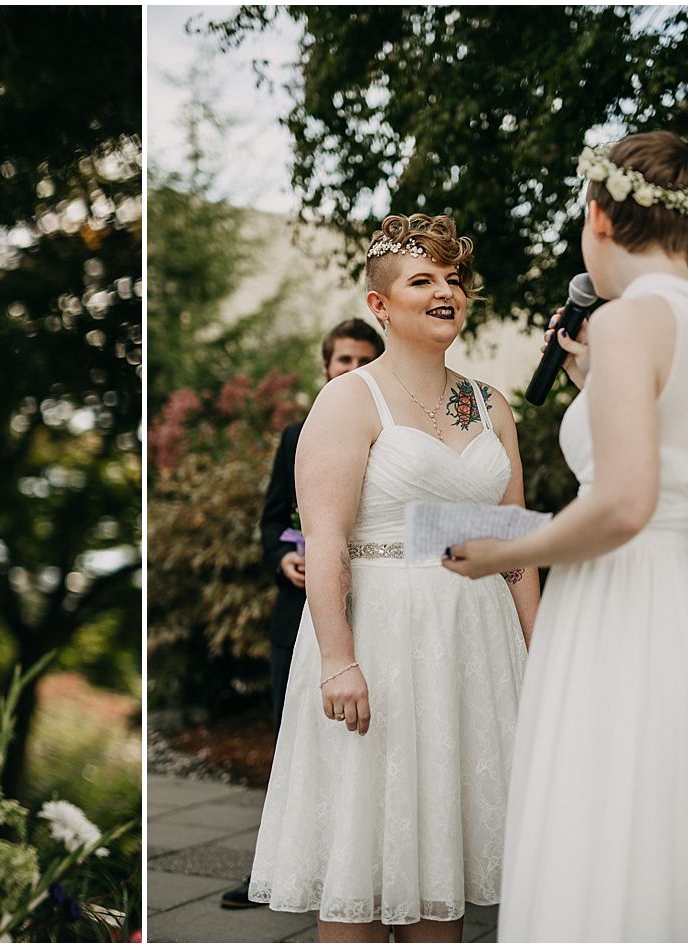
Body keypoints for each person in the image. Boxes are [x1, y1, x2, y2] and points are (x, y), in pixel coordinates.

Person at [443, 131, 688, 942]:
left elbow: (625, 505)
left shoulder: (632, 322)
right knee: (670, 807)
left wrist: (503, 552)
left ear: (597, 214)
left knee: (607, 807)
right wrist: (593, 384)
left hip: (623, 602)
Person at [248, 213, 540, 942]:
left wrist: (540, 665)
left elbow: (515, 544)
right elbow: (326, 541)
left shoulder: (490, 403)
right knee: (362, 870)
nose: (446, 292)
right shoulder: (350, 400)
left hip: (476, 647)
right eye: (424, 280)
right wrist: (339, 659)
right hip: (380, 639)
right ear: (380, 305)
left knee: (443, 874)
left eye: (455, 280)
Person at [222, 318, 381, 911]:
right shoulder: (296, 434)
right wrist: (283, 558)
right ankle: (278, 864)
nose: (352, 369)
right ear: (326, 366)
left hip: (372, 599)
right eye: (343, 360)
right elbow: (270, 519)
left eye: (364, 359)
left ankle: (357, 864)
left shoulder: (390, 430)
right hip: (298, 609)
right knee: (291, 734)